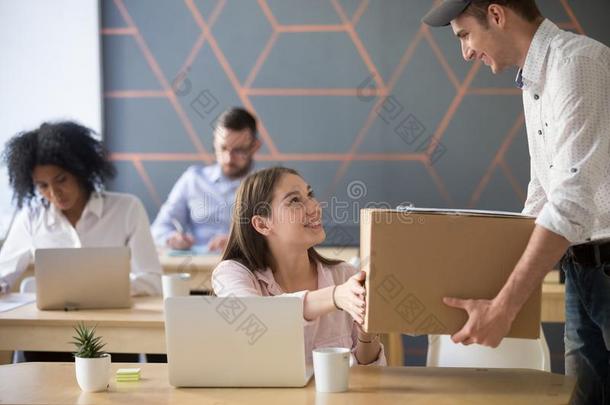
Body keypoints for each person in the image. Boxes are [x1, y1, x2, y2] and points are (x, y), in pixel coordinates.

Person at [423, 1, 610, 403]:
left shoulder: (576, 64)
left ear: (496, 15)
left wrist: (505, 306)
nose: (466, 52)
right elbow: (541, 194)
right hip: (581, 271)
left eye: (465, 35)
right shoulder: (535, 80)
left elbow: (571, 200)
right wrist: (489, 289)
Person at [212, 167, 386, 366]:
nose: (314, 207)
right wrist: (335, 296)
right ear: (262, 224)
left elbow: (370, 375)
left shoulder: (345, 275)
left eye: (310, 195)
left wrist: (366, 332)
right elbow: (256, 315)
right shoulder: (231, 274)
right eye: (295, 200)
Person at [0, 121, 162, 297]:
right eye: (43, 186)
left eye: (61, 180)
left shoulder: (127, 209)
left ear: (80, 171)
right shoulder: (31, 218)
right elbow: (2, 273)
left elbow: (152, 283)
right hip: (54, 322)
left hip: (113, 320)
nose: (54, 193)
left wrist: (98, 290)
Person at [151, 107, 260, 252]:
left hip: (246, 268)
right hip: (197, 267)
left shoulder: (269, 186)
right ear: (215, 143)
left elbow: (281, 239)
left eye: (238, 150)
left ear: (255, 147)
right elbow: (158, 228)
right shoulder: (193, 179)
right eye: (223, 148)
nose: (228, 158)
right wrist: (171, 238)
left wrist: (239, 243)